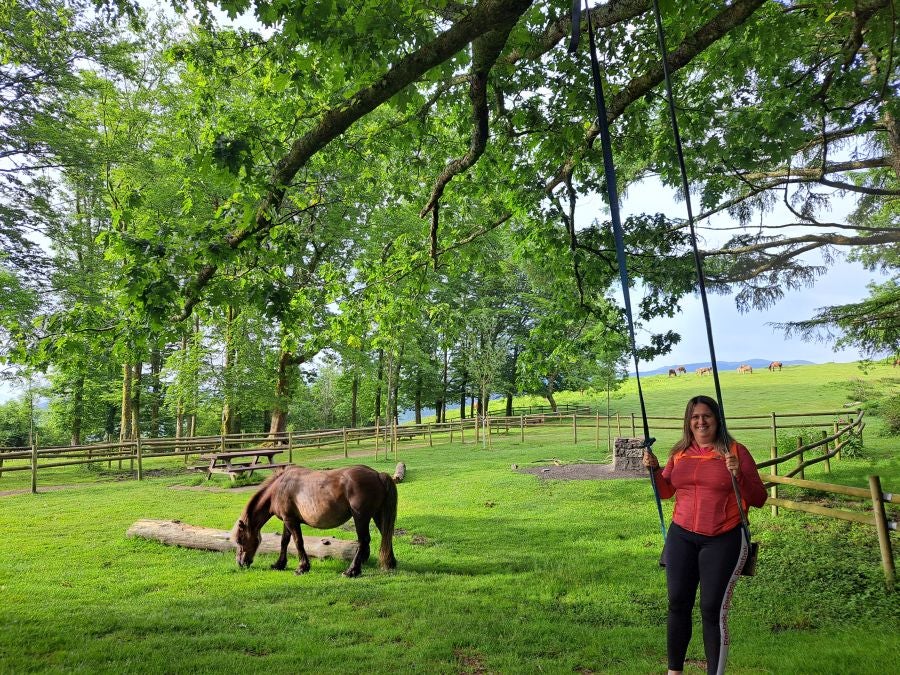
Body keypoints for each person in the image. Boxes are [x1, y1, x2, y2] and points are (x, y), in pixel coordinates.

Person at [643, 395, 767, 675]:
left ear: (717, 419)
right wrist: (655, 471)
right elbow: (665, 492)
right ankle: (674, 671)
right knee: (677, 603)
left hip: (723, 538)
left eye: (706, 416)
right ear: (688, 422)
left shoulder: (735, 451)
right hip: (681, 536)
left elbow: (759, 498)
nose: (701, 421)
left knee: (712, 610)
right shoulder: (680, 453)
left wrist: (738, 475)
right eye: (695, 417)